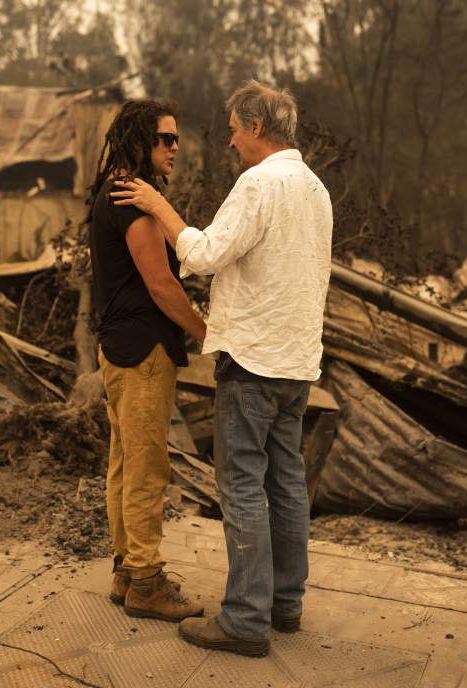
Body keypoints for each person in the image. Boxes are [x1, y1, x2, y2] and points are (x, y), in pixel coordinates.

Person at [111, 80, 333, 657]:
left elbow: (204, 254)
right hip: (296, 364)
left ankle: (243, 619)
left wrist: (159, 206)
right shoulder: (315, 189)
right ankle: (285, 605)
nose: (230, 141)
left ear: (256, 128)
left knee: (241, 488)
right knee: (285, 485)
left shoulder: (259, 183)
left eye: (234, 129)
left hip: (253, 361)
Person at [87, 99, 207, 623]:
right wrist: (208, 331)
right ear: (139, 141)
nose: (175, 147)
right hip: (143, 352)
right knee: (147, 466)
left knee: (124, 462)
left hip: (118, 346)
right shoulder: (135, 201)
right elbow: (161, 284)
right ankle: (147, 581)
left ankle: (125, 570)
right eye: (165, 139)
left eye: (177, 138)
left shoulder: (112, 191)